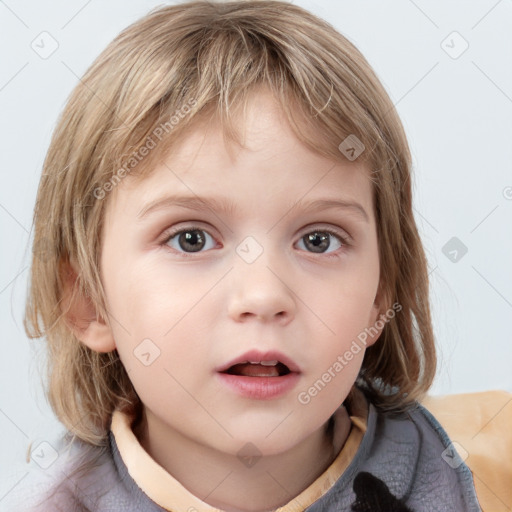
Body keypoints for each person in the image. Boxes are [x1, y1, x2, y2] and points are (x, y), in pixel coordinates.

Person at [10, 1, 485, 510]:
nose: (263, 296)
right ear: (88, 301)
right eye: (190, 239)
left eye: (318, 240)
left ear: (379, 296)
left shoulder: (484, 470)